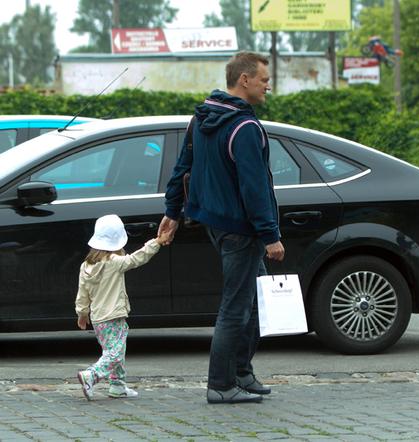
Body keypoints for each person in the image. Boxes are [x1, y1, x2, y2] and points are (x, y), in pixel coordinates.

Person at [158, 51, 284, 404]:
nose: (267, 85)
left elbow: (182, 166)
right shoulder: (245, 127)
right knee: (236, 307)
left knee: (253, 303)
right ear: (244, 80)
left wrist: (173, 210)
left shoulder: (202, 118)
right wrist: (270, 235)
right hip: (241, 230)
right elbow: (254, 187)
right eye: (263, 79)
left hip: (217, 224)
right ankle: (220, 385)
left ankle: (242, 374)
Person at [75, 214, 167, 400]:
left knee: (114, 351)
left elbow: (82, 293)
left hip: (98, 318)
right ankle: (91, 375)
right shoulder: (114, 263)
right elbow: (137, 259)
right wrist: (156, 242)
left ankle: (118, 386)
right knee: (115, 353)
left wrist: (82, 313)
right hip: (114, 316)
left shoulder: (86, 266)